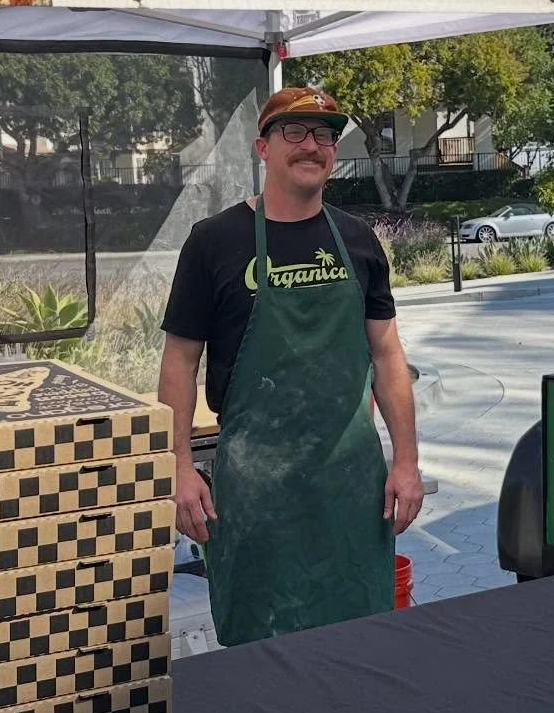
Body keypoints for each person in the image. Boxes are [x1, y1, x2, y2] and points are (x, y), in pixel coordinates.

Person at [158, 86, 423, 645]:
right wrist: (179, 468)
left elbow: (388, 355)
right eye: (294, 133)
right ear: (262, 147)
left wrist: (406, 463)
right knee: (261, 650)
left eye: (323, 135)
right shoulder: (214, 243)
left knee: (358, 642)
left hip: (349, 489)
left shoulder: (357, 241)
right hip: (255, 492)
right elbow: (180, 362)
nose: (312, 146)